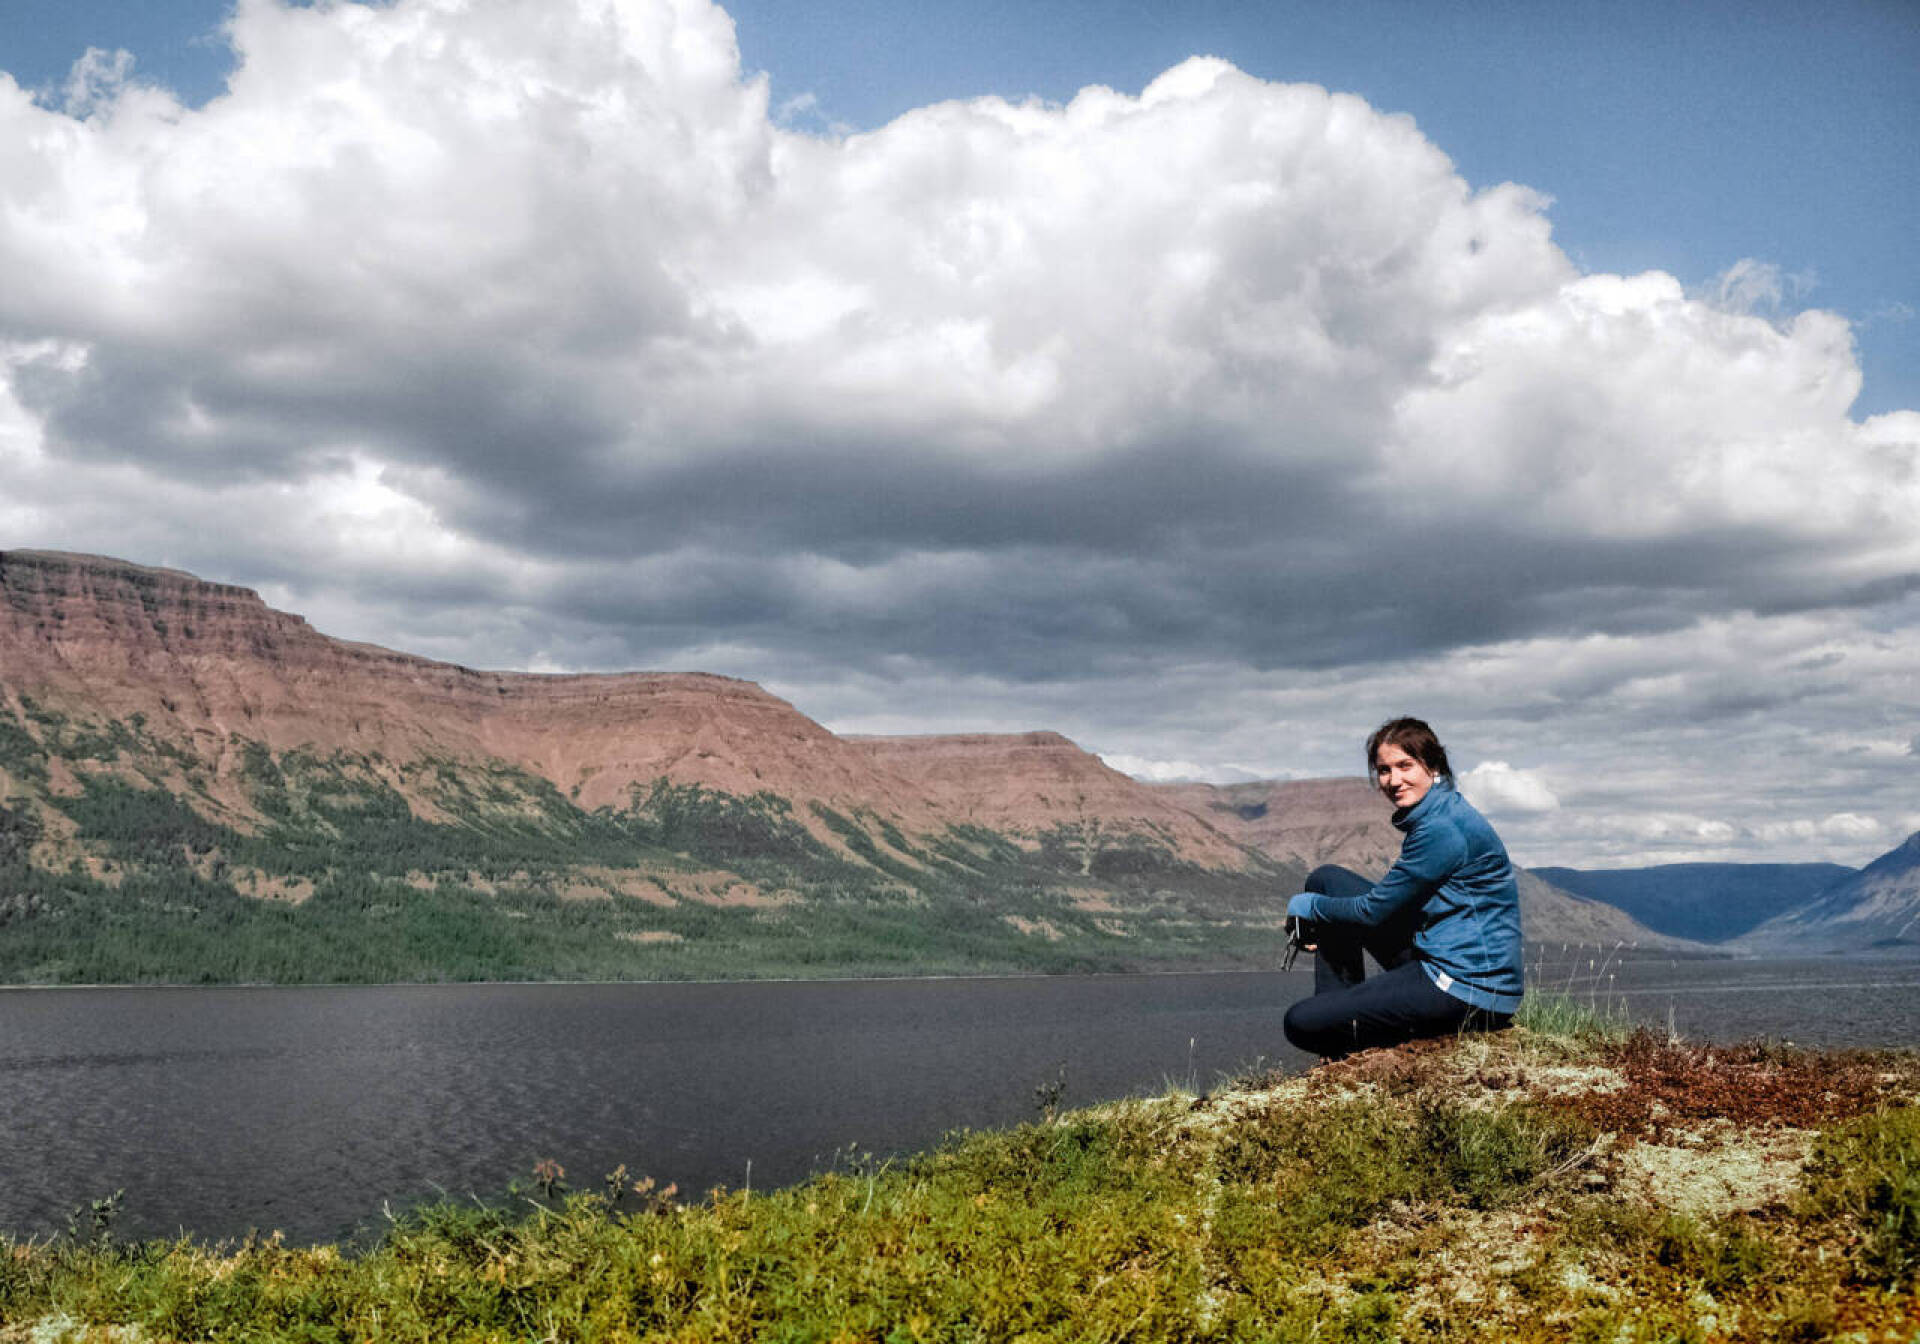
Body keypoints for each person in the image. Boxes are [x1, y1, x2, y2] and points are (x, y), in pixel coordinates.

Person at [1281, 717, 1523, 1059]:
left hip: (1469, 989)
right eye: (1384, 770)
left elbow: (1372, 911)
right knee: (1327, 880)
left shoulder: (1441, 829)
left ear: (1433, 765)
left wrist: (1304, 907)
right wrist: (1316, 906)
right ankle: (1339, 1025)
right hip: (1439, 954)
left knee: (1300, 1021)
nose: (1394, 780)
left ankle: (1338, 1033)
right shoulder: (1439, 811)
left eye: (1405, 766)